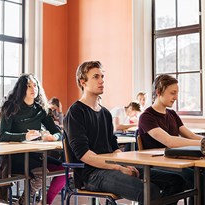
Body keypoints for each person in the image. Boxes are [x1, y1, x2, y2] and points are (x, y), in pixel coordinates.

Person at [63, 61, 186, 204]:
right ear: (82, 82)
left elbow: (114, 147)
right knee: (149, 191)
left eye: (102, 76)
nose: (101, 80)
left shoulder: (105, 113)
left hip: (112, 167)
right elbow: (85, 155)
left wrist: (124, 165)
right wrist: (118, 167)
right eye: (96, 77)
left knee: (176, 181)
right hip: (91, 174)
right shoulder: (76, 112)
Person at [138, 74, 205, 205]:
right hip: (158, 165)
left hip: (176, 162)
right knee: (199, 178)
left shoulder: (172, 114)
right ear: (158, 92)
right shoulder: (146, 117)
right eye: (172, 93)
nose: (176, 97)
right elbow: (170, 141)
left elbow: (191, 136)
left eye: (176, 93)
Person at [0, 74, 65, 205]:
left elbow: (58, 132)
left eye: (35, 85)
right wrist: (24, 136)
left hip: (35, 155)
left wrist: (53, 137)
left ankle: (45, 202)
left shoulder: (40, 109)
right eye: (28, 86)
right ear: (21, 89)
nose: (33, 88)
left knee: (65, 169)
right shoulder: (10, 107)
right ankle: (24, 202)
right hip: (15, 157)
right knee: (41, 174)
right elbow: (2, 135)